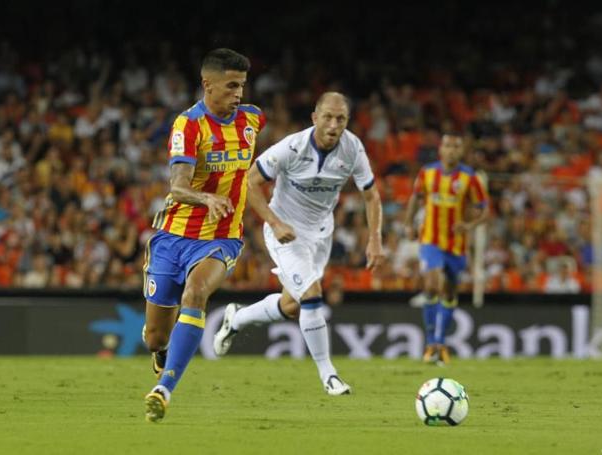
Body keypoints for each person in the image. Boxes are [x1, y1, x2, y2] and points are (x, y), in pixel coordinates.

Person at [213, 92, 384, 395]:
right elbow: (248, 182)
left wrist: (374, 239)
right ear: (314, 118)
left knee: (292, 305)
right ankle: (329, 375)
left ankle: (236, 319)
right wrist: (275, 223)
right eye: (328, 117)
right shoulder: (291, 148)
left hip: (321, 234)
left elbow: (371, 195)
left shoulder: (353, 149)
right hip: (285, 230)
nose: (333, 125)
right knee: (312, 294)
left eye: (341, 119)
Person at [142, 48, 265, 422]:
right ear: (207, 84)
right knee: (154, 337)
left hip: (221, 237)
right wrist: (205, 197)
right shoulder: (188, 125)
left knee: (196, 292)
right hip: (172, 236)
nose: (238, 93)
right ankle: (164, 351)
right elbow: (177, 186)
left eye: (242, 85)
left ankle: (164, 389)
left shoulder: (252, 120)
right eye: (230, 85)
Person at [403, 133, 489, 364]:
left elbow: (485, 210)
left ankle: (441, 342)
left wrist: (469, 225)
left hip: (456, 245)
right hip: (430, 240)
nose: (451, 150)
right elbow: (415, 198)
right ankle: (431, 342)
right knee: (431, 285)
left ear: (461, 151)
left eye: (456, 146)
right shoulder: (427, 173)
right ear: (440, 149)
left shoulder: (469, 178)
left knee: (449, 292)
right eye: (448, 145)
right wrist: (408, 224)